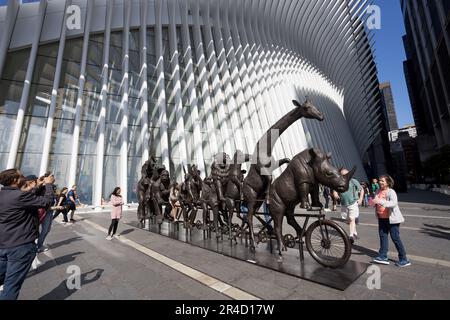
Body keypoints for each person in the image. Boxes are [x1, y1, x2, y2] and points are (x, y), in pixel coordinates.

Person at [0, 169, 55, 300]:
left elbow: (23, 199)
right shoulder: (19, 196)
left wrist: (37, 186)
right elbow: (46, 202)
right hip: (20, 246)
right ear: (14, 181)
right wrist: (48, 185)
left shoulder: (4, 195)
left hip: (3, 245)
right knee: (11, 286)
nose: (24, 178)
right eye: (21, 176)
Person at [371, 175, 411, 267]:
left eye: (383, 181)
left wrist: (380, 201)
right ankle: (383, 256)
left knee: (395, 238)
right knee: (383, 236)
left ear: (388, 182)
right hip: (382, 218)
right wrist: (371, 202)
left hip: (392, 219)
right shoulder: (378, 191)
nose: (380, 182)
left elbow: (393, 203)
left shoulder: (391, 192)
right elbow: (375, 202)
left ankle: (404, 259)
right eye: (380, 181)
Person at [333, 169, 364, 244]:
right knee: (347, 220)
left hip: (353, 203)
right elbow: (335, 190)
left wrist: (360, 199)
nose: (345, 176)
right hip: (344, 204)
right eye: (343, 174)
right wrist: (336, 194)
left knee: (351, 219)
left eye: (346, 174)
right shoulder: (339, 182)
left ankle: (351, 236)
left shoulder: (353, 181)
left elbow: (362, 189)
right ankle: (354, 232)